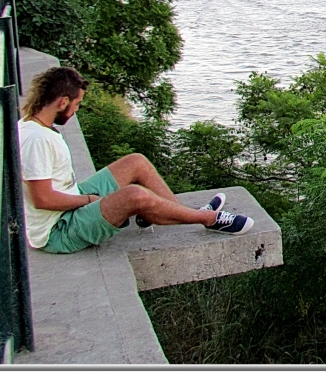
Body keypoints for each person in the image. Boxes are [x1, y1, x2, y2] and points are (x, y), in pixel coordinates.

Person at [18, 66, 254, 254]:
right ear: (62, 102)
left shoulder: (37, 126)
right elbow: (42, 199)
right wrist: (89, 200)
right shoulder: (36, 139)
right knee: (134, 195)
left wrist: (86, 199)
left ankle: (178, 211)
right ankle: (208, 218)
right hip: (58, 230)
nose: (76, 110)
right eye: (77, 104)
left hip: (69, 202)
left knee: (136, 162)